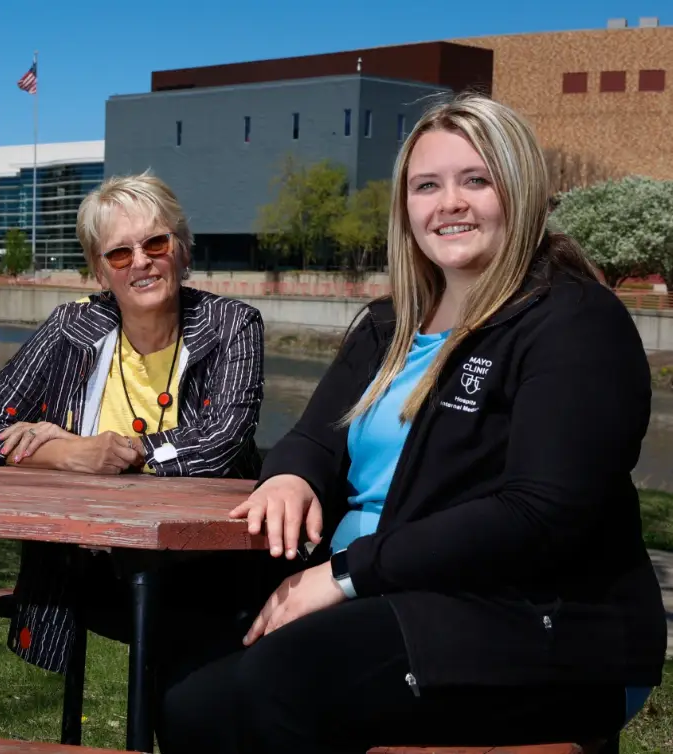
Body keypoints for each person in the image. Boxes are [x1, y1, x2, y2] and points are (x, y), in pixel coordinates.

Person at [156, 93, 667, 753]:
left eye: (474, 180)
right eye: (426, 185)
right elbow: (313, 439)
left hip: (536, 622)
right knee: (182, 672)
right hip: (388, 596)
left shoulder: (572, 322)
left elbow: (541, 512)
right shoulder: (386, 326)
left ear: (519, 189)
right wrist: (287, 478)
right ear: (405, 207)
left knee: (276, 685)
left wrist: (342, 575)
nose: (447, 203)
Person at [0, 172, 274, 679]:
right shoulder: (71, 326)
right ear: (101, 272)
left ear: (182, 249)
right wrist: (69, 456)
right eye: (120, 254)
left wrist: (119, 452)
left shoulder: (232, 324)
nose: (141, 262)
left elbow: (221, 440)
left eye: (155, 243)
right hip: (89, 571)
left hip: (209, 570)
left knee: (188, 694)